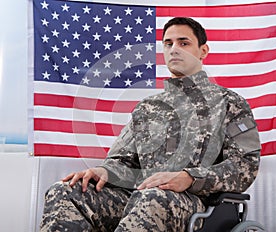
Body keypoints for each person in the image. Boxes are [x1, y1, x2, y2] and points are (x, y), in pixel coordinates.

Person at [40, 17, 261, 231]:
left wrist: (190, 177)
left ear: (203, 51)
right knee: (65, 191)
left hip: (197, 204)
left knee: (152, 197)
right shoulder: (147, 108)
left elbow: (245, 165)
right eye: (168, 43)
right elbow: (122, 162)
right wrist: (103, 171)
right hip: (137, 197)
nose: (174, 49)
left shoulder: (230, 103)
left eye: (184, 43)